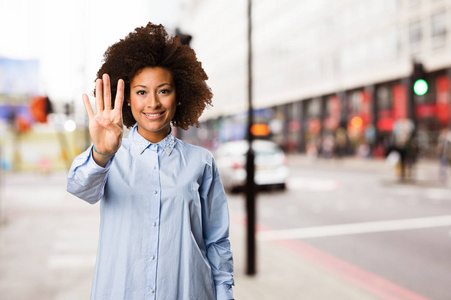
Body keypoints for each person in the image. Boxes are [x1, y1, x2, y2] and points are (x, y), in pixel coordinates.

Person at [66, 23, 234, 300]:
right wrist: (102, 153)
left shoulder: (201, 162)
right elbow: (79, 188)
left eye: (164, 91)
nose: (153, 103)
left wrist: (225, 293)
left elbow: (216, 240)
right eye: (142, 92)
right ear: (128, 100)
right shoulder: (109, 156)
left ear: (179, 96)